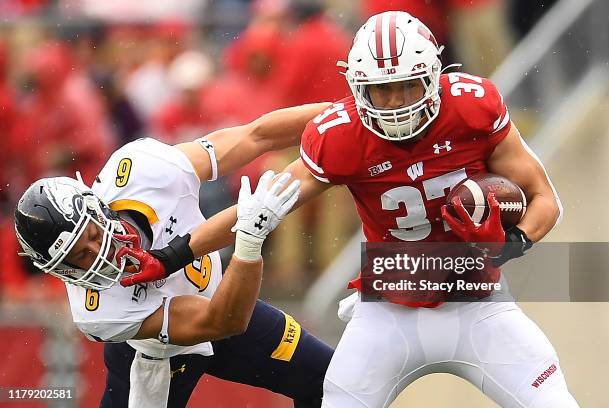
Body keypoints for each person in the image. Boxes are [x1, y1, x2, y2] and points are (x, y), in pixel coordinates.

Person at [132, 11, 578, 407]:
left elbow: (544, 199)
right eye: (382, 92)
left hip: (480, 304)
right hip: (387, 310)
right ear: (358, 87)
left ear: (434, 76)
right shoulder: (341, 135)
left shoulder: (471, 105)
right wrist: (173, 255)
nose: (396, 104)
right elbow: (258, 208)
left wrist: (506, 246)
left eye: (407, 86)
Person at [14, 103, 334, 408]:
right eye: (80, 256)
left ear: (98, 206)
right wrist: (249, 243)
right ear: (61, 270)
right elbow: (223, 321)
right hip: (159, 356)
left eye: (94, 235)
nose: (101, 255)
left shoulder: (142, 172)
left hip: (221, 296)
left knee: (330, 381)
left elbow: (256, 135)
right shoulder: (98, 311)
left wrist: (344, 114)